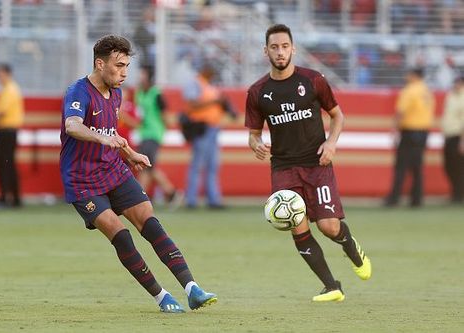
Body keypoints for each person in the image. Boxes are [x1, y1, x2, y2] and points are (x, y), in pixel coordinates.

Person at [59, 35, 216, 313]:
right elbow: (73, 126)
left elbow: (111, 133)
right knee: (121, 235)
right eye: (119, 66)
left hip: (113, 170)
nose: (124, 73)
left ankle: (192, 288)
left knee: (150, 222)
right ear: (99, 63)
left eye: (127, 66)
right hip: (83, 181)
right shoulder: (78, 92)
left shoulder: (117, 93)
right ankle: (161, 297)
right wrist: (100, 138)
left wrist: (129, 153)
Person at [245, 24, 371, 302]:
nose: (280, 52)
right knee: (297, 225)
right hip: (283, 168)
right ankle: (331, 286)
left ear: (293, 49)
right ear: (265, 51)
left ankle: (350, 245)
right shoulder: (257, 92)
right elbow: (253, 135)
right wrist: (256, 145)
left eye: (285, 46)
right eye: (274, 47)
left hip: (317, 164)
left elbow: (338, 116)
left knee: (329, 227)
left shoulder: (313, 80)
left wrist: (332, 142)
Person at [182, 64, 237, 209]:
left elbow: (216, 104)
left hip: (213, 128)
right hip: (201, 128)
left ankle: (213, 199)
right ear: (205, 70)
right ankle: (191, 200)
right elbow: (192, 104)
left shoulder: (210, 85)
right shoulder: (195, 83)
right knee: (198, 164)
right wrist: (214, 102)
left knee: (213, 165)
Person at [384, 68, 435, 207]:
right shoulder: (426, 91)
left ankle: (394, 198)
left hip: (410, 131)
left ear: (414, 76)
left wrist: (394, 128)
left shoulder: (409, 91)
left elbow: (401, 111)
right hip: (423, 131)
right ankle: (417, 199)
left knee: (401, 166)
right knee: (417, 167)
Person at [135, 65, 182, 207]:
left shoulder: (156, 94)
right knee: (148, 167)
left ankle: (139, 198)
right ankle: (171, 193)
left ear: (149, 76)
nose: (139, 76)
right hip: (144, 133)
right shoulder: (140, 93)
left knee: (145, 166)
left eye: (142, 74)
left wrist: (164, 128)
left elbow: (165, 116)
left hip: (153, 134)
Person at [0, 63, 24, 208]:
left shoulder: (9, 90)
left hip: (6, 132)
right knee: (8, 165)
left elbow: (1, 112)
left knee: (4, 165)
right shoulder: (11, 89)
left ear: (5, 73)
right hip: (9, 132)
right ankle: (14, 198)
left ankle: (5, 198)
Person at [441, 76, 464, 204]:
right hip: (449, 135)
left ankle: (459, 194)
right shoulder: (450, 96)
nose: (456, 85)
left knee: (459, 167)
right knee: (449, 166)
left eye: (459, 83)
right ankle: (455, 191)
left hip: (459, 136)